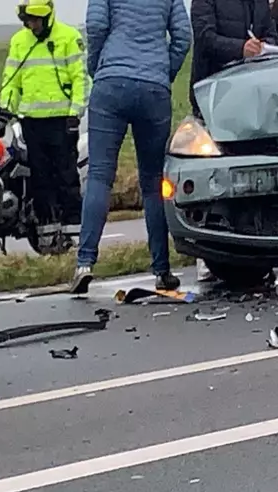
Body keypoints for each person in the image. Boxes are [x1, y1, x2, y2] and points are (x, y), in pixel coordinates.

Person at [69, 0, 192, 294]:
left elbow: (97, 26)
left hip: (111, 82)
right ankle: (162, 269)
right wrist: (165, 72)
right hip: (154, 88)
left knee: (99, 176)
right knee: (152, 182)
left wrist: (97, 66)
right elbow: (183, 37)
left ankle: (85, 262)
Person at [189, 0, 278, 282]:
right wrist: (240, 48)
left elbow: (271, 31)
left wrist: (267, 46)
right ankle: (207, 252)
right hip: (212, 91)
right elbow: (204, 37)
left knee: (253, 171)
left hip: (250, 92)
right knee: (212, 170)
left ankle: (257, 249)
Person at [1, 0, 88, 244]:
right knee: (40, 177)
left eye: (36, 20)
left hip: (62, 121)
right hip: (31, 122)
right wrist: (5, 109)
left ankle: (73, 227)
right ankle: (47, 229)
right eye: (29, 21)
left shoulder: (69, 37)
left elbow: (80, 78)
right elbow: (12, 79)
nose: (32, 25)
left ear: (48, 17)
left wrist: (75, 112)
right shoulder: (19, 41)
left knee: (65, 174)